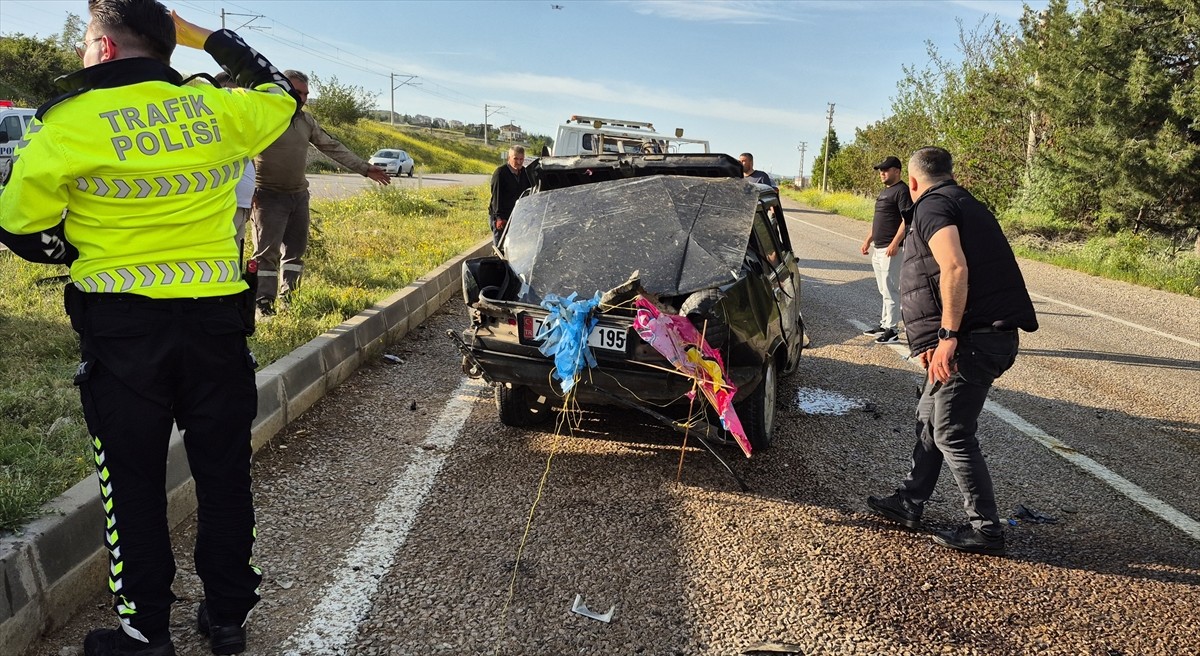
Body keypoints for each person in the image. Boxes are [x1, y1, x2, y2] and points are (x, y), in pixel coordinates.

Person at [0, 3, 299, 654]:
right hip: (219, 323)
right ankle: (227, 619)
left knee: (131, 480)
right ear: (168, 49)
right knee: (223, 473)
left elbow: (20, 227)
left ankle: (145, 631)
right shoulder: (219, 110)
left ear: (103, 50)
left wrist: (78, 250)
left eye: (85, 43)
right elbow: (280, 93)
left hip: (121, 329)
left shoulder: (67, 123)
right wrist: (212, 39)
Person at [866, 146, 1038, 556]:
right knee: (929, 416)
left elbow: (954, 267)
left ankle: (986, 530)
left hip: (972, 340)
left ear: (912, 181)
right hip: (978, 335)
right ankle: (910, 501)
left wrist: (947, 336)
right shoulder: (966, 203)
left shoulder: (932, 207)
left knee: (951, 431)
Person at [250, 69, 391, 316]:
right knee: (266, 256)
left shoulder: (306, 121)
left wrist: (365, 168)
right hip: (268, 197)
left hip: (298, 197)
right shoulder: (261, 117)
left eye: (305, 94)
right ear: (281, 88)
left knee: (294, 253)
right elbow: (241, 154)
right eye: (298, 92)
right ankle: (264, 303)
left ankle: (289, 298)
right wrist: (247, 189)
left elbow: (331, 146)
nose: (302, 98)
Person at [860, 155, 913, 344]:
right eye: (881, 170)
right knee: (883, 289)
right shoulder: (885, 192)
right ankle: (884, 323)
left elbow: (907, 220)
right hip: (879, 247)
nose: (882, 173)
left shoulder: (902, 191)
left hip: (892, 249)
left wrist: (894, 243)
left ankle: (892, 329)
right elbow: (879, 220)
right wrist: (868, 240)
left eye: (886, 169)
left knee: (891, 289)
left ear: (897, 171)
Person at [213, 70, 254, 266]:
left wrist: (251, 195)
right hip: (225, 204)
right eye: (228, 93)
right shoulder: (213, 125)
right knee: (220, 258)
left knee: (235, 259)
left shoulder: (240, 124)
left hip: (242, 204)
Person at [488, 145, 531, 246]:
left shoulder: (525, 173)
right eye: (516, 158)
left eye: (521, 159)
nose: (519, 162)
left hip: (516, 215)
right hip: (502, 217)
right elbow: (496, 197)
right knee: (500, 247)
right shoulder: (500, 173)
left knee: (514, 246)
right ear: (509, 158)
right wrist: (499, 218)